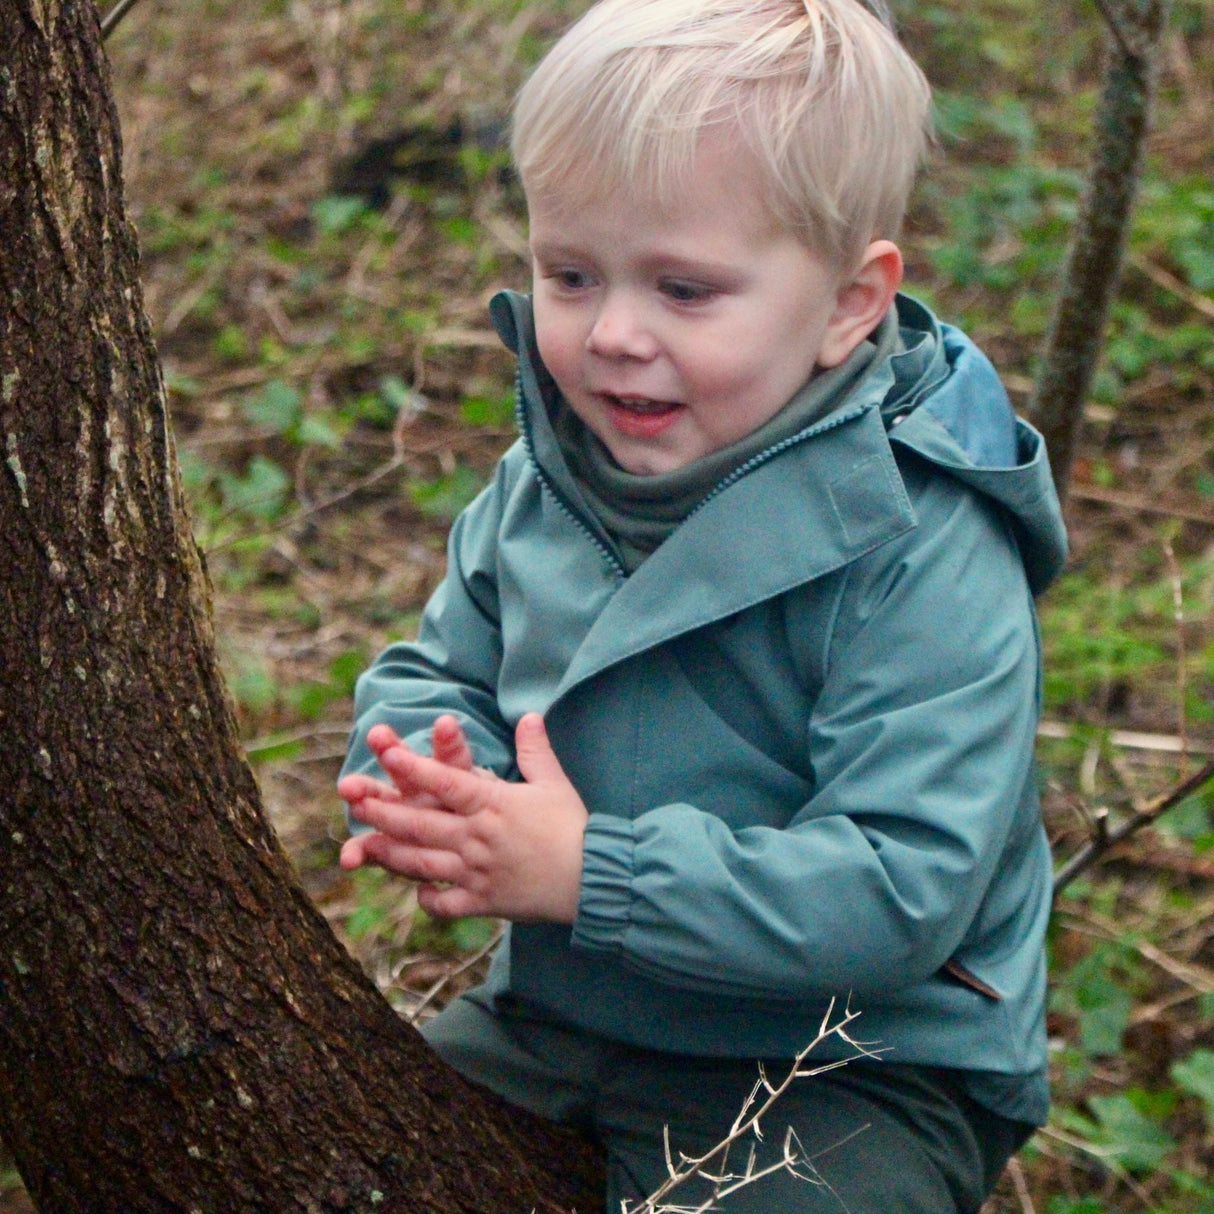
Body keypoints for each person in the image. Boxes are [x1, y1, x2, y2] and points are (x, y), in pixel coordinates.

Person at [337, 0, 1068, 1209]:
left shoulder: (919, 542)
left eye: (683, 289)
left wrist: (588, 871)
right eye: (569, 273)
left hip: (850, 1065)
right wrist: (433, 781)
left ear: (848, 302)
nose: (612, 334)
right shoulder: (547, 479)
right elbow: (434, 671)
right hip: (562, 1016)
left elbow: (897, 887)